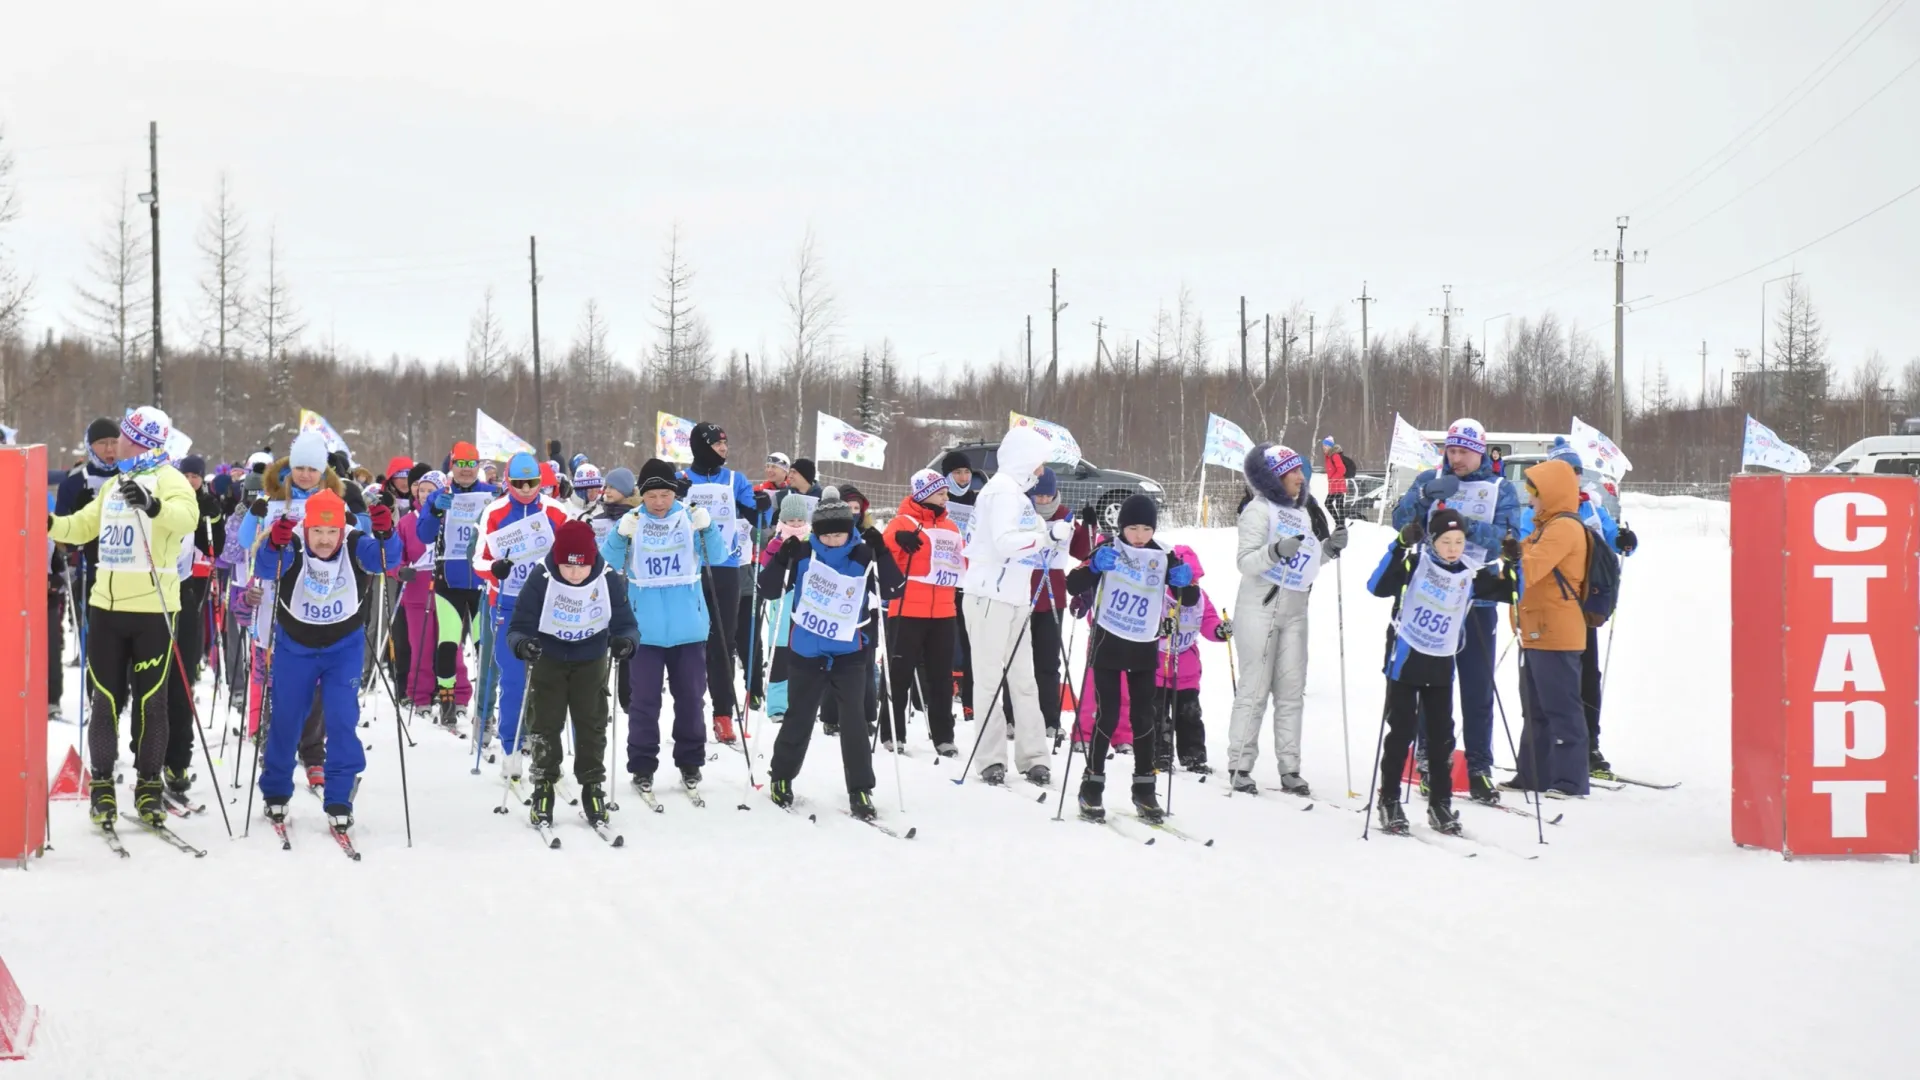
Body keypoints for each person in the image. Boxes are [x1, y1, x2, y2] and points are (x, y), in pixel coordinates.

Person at [48, 407, 199, 830]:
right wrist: (46, 524)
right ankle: (102, 787)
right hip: (107, 609)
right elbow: (81, 527)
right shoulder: (114, 483)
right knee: (105, 702)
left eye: (128, 441)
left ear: (148, 444)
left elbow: (188, 518)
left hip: (153, 611)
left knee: (152, 703)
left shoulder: (169, 479)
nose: (119, 447)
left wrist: (152, 506)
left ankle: (149, 786)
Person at [252, 489, 401, 834]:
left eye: (331, 531)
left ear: (341, 528)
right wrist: (274, 544)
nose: (324, 539)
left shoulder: (354, 541)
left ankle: (338, 798)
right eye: (317, 531)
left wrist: (386, 534)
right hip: (295, 645)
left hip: (343, 645)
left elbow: (384, 561)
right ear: (308, 528)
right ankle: (275, 790)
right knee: (287, 718)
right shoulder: (293, 540)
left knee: (341, 719)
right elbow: (265, 567)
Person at [1388, 418, 1517, 804]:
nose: (1456, 458)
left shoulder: (1499, 487)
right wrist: (1424, 496)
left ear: (1479, 452)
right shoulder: (1432, 479)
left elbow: (1508, 541)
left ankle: (1479, 768)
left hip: (1476, 596)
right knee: (1431, 686)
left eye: (1463, 451)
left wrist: (1466, 526)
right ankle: (1429, 762)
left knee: (1477, 688)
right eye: (1451, 449)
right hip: (1433, 599)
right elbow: (1400, 522)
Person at [1366, 506, 1512, 835]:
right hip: (1406, 658)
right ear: (1433, 541)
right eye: (1446, 541)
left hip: (1442, 661)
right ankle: (1389, 799)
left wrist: (1515, 564)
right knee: (1401, 731)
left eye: (1459, 541)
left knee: (1441, 736)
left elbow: (1513, 592)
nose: (1452, 549)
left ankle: (1441, 804)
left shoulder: (1468, 574)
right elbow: (1376, 586)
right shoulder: (1416, 564)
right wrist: (1400, 545)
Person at [239, 431, 368, 791]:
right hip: (276, 597)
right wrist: (254, 514)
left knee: (319, 683)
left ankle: (313, 751)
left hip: (324, 601)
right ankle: (273, 744)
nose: (306, 475)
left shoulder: (336, 500)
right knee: (277, 676)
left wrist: (367, 521)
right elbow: (246, 542)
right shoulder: (275, 498)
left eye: (313, 468)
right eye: (300, 468)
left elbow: (360, 538)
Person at [1064, 494, 1198, 823]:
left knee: (1144, 717)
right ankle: (1091, 786)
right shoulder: (1109, 549)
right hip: (1109, 640)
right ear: (1122, 527)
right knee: (1107, 714)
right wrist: (1093, 566)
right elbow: (1073, 583)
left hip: (1144, 644)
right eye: (1133, 528)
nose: (1139, 535)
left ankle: (1144, 789)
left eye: (1146, 528)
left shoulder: (1163, 554)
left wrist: (1185, 581)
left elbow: (1190, 596)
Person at [1225, 443, 1349, 796]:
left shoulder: (1301, 513)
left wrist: (1327, 550)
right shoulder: (1258, 511)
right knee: (1254, 688)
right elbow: (1246, 562)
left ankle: (1290, 767)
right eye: (1292, 472)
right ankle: (1240, 762)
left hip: (1295, 611)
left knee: (1292, 692)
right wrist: (1274, 551)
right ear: (1274, 478)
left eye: (1300, 471)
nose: (1300, 477)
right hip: (1259, 609)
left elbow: (1304, 563)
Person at [1514, 439, 1639, 779]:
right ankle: (1549, 760)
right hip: (1552, 608)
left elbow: (1609, 539)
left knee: (1584, 679)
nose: (1576, 477)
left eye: (1578, 471)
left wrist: (1625, 541)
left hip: (1582, 604)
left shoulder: (1591, 508)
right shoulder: (1536, 515)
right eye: (1568, 471)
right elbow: (1527, 554)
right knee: (1551, 689)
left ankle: (1589, 748)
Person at [957, 428, 1072, 785]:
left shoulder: (1017, 495)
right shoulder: (1002, 492)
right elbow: (1006, 543)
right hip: (989, 596)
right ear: (1023, 458)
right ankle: (991, 759)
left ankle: (1034, 756)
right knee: (990, 681)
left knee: (1025, 681)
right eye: (1038, 462)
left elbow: (1030, 542)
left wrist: (1050, 537)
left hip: (1016, 597)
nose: (1040, 471)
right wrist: (1046, 536)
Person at [507, 519, 638, 831]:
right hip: (548, 659)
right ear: (557, 559)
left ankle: (593, 786)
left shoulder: (605, 578)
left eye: (581, 567)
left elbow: (626, 624)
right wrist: (524, 645)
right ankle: (543, 787)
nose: (575, 574)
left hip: (590, 660)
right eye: (568, 567)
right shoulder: (542, 575)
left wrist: (625, 642)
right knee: (544, 724)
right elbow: (518, 627)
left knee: (591, 724)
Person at [760, 491, 884, 820]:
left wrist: (882, 554)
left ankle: (860, 788)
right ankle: (781, 777)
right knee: (799, 717)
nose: (831, 539)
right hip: (807, 651)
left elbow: (894, 589)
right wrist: (780, 557)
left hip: (848, 653)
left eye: (838, 533)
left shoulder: (862, 554)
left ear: (849, 529)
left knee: (854, 722)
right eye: (825, 533)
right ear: (816, 532)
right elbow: (768, 588)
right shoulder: (802, 553)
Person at [600, 459, 719, 796]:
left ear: (674, 493)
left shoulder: (689, 518)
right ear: (643, 495)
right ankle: (641, 764)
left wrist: (707, 529)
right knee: (644, 702)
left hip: (688, 628)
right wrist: (620, 536)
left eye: (665, 494)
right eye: (652, 495)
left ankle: (690, 761)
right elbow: (606, 562)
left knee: (691, 700)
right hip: (646, 629)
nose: (659, 502)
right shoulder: (632, 520)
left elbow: (720, 557)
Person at [475, 451, 575, 777]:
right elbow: (479, 561)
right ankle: (510, 748)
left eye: (533, 482)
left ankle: (544, 744)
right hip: (507, 604)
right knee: (514, 680)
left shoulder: (557, 512)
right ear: (508, 482)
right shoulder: (495, 511)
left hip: (549, 605)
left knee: (548, 680)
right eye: (519, 483)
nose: (527, 489)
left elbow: (576, 551)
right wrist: (496, 568)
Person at [1502, 459, 1592, 797]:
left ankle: (1570, 780)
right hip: (1537, 629)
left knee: (1560, 707)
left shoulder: (1564, 528)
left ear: (1550, 493)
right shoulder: (1543, 526)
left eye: (1534, 491)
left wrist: (1512, 558)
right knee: (1534, 709)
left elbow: (1531, 568)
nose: (1529, 498)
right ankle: (1532, 774)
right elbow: (1515, 567)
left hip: (1557, 632)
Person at [678, 422, 769, 745]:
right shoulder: (682, 480)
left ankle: (723, 714)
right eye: (717, 445)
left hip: (725, 565)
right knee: (688, 642)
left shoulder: (735, 480)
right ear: (702, 446)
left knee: (723, 642)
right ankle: (688, 710)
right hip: (687, 568)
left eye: (725, 445)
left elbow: (758, 520)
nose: (724, 450)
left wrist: (761, 508)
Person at [414, 441, 499, 730]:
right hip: (448, 581)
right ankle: (447, 701)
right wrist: (436, 510)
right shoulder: (440, 495)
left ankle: (486, 709)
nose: (465, 471)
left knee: (484, 646)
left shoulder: (491, 494)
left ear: (478, 466)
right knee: (448, 642)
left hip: (481, 582)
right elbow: (424, 534)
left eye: (470, 464)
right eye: (460, 465)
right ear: (452, 466)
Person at [881, 468, 965, 755]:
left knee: (942, 676)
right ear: (925, 494)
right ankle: (893, 731)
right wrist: (897, 540)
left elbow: (959, 560)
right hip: (907, 608)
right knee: (900, 672)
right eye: (941, 493)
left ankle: (944, 736)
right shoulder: (901, 522)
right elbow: (883, 557)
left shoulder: (951, 527)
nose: (946, 498)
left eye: (945, 493)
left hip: (943, 610)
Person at [160, 454, 225, 806]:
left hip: (186, 594)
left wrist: (213, 514)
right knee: (151, 683)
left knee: (182, 681)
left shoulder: (199, 505)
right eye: (182, 475)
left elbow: (215, 547)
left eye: (194, 476)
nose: (188, 481)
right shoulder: (157, 500)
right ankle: (149, 761)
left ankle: (178, 763)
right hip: (149, 599)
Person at [1155, 543, 1228, 773]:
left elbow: (1208, 620)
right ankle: (1159, 754)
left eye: (1195, 580)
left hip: (1186, 669)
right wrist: (1161, 627)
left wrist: (1219, 630)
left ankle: (1194, 755)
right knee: (1157, 716)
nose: (1191, 586)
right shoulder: (1160, 594)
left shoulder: (1201, 597)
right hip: (1157, 666)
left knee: (1190, 716)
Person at [398, 469, 456, 715]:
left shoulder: (452, 518)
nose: (424, 495)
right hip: (417, 594)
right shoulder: (407, 521)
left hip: (447, 591)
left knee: (450, 647)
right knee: (420, 647)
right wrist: (401, 571)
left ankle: (456, 696)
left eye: (430, 491)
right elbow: (395, 557)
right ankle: (418, 695)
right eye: (421, 490)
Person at [1321, 438, 1354, 523]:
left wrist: (1333, 479)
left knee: (1331, 504)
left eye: (1326, 446)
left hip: (1338, 485)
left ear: (1330, 447)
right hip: (1334, 486)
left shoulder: (1335, 456)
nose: (1324, 447)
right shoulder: (1328, 457)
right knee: (1336, 505)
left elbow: (1342, 469)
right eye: (1323, 445)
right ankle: (1340, 523)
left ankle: (1340, 523)